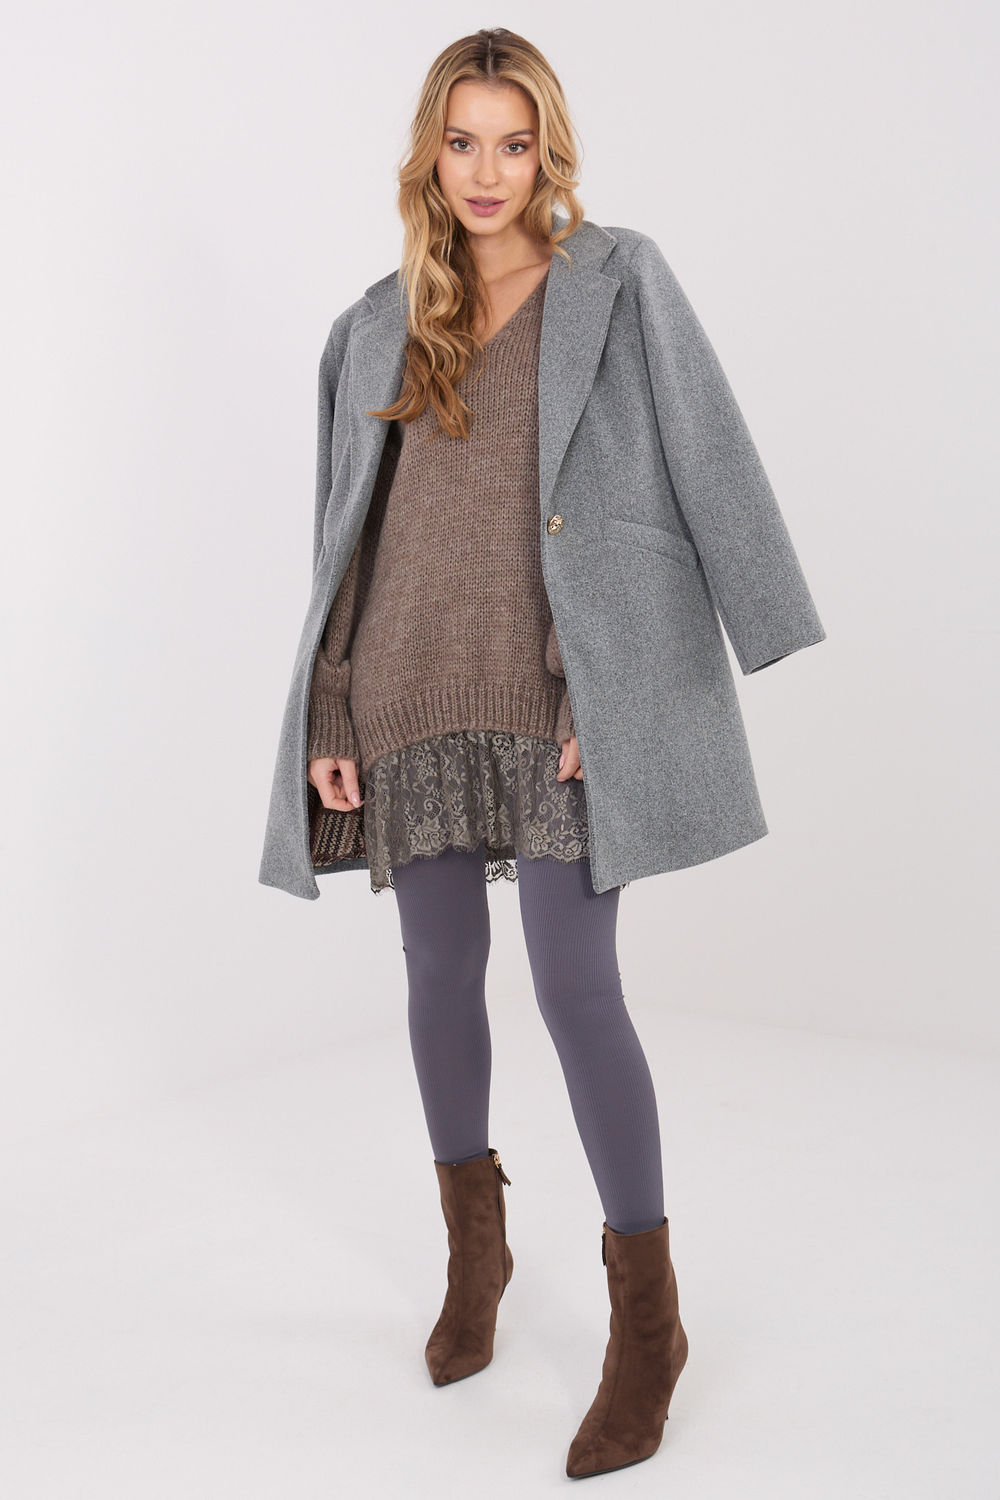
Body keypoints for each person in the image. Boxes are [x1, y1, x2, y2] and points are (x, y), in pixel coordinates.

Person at [263, 26, 825, 1483]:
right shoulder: (372, 325)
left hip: (559, 698)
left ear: (547, 152)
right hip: (408, 691)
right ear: (429, 155)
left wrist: (736, 638)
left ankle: (650, 1323)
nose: (488, 171)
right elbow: (342, 538)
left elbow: (710, 449)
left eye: (514, 144)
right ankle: (479, 1255)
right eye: (463, 142)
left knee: (579, 989)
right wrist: (331, 711)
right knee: (438, 974)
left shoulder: (619, 282)